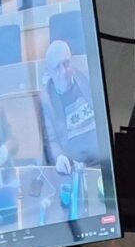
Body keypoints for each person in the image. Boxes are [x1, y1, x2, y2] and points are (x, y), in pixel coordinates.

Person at [39, 39, 103, 177]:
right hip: (75, 168)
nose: (63, 71)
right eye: (57, 67)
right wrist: (59, 157)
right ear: (49, 72)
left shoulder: (87, 78)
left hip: (103, 159)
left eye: (66, 63)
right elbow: (51, 141)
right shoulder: (47, 100)